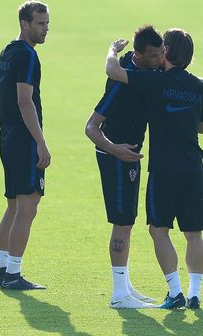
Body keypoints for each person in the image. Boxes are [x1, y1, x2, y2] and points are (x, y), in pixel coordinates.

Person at [106, 29, 203, 309]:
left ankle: (175, 292)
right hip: (194, 167)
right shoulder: (198, 85)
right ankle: (195, 292)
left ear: (167, 52)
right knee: (194, 233)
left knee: (159, 230)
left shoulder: (154, 81)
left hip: (164, 170)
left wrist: (112, 50)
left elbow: (114, 71)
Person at [85, 25, 164, 308]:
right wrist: (115, 149)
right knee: (122, 223)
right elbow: (91, 127)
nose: (160, 60)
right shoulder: (123, 84)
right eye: (154, 55)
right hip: (116, 155)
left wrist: (112, 51)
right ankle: (119, 295)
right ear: (140, 55)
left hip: (129, 154)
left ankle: (125, 286)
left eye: (162, 53)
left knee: (127, 223)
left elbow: (114, 64)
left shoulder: (137, 65)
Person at [0, 1, 51, 290]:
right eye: (40, 24)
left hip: (8, 137)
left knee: (14, 206)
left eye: (47, 23)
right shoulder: (27, 56)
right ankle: (13, 274)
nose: (46, 29)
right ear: (24, 24)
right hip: (24, 140)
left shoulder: (8, 51)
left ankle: (1, 269)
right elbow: (24, 100)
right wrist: (41, 142)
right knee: (27, 207)